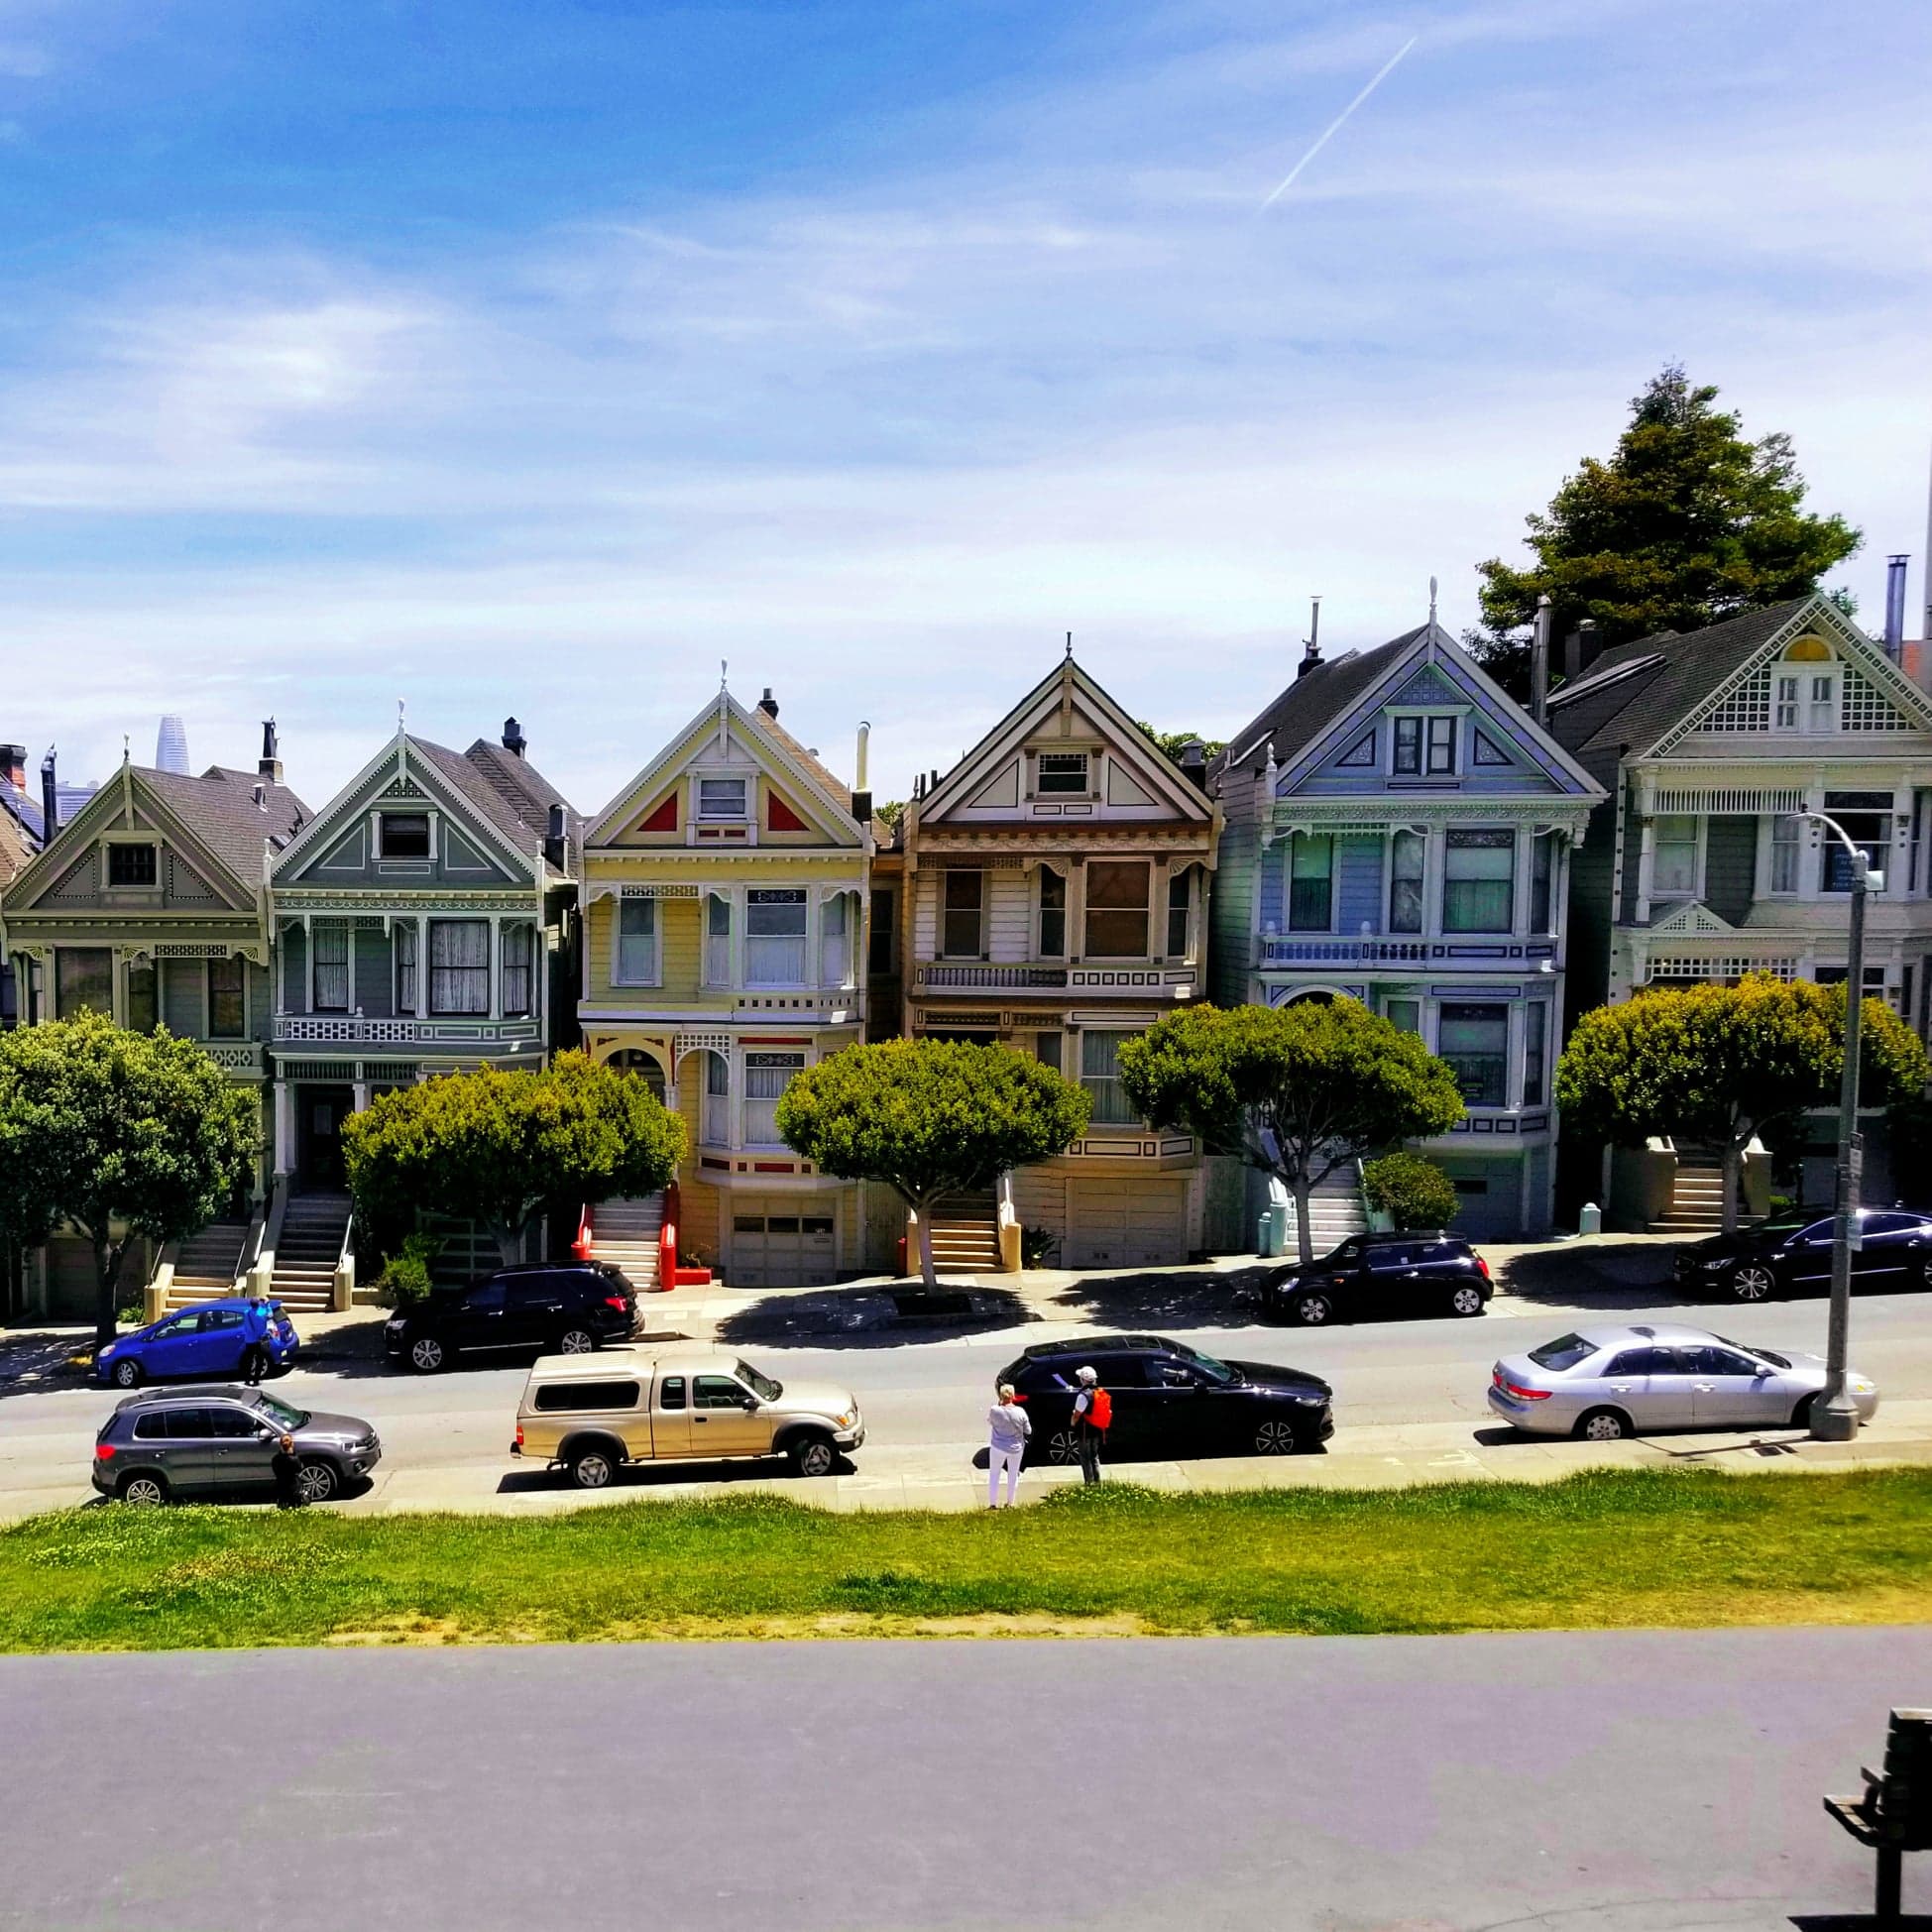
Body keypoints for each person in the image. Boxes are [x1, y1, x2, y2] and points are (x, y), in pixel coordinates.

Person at [986, 1383, 1031, 1508]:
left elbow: (990, 1421)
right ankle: (1010, 1502)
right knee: (1013, 1474)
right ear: (1013, 1396)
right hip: (1016, 1447)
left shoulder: (995, 1410)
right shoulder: (1020, 1412)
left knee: (994, 1474)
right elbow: (1028, 1430)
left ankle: (993, 1503)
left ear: (1001, 1396)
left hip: (998, 1447)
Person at [1071, 1365, 1107, 1485]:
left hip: (1085, 1430)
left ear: (1083, 1380)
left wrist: (1073, 1422)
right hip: (1097, 1429)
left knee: (1085, 1457)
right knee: (1094, 1456)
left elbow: (1077, 1414)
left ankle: (1089, 1483)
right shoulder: (1100, 1392)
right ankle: (1097, 1481)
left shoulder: (1083, 1395)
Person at [238, 1295, 274, 1387]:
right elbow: (270, 1315)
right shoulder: (262, 1312)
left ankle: (247, 1379)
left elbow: (250, 1309)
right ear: (258, 1304)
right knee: (260, 1360)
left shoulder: (246, 1313)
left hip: (249, 1341)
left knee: (249, 1360)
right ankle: (256, 1380)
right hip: (259, 1340)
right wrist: (267, 1304)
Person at [272, 1432, 306, 1509]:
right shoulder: (294, 1459)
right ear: (292, 1444)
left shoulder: (276, 1459)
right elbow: (299, 1469)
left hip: (281, 1488)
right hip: (294, 1489)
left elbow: (275, 1470)